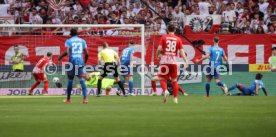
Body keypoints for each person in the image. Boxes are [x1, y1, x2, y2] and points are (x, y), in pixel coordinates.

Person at [153, 24, 188, 104]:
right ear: (175, 30)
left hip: (165, 61)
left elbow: (159, 49)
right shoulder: (178, 39)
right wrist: (186, 61)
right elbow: (182, 52)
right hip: (173, 62)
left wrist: (157, 56)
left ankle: (165, 91)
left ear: (167, 30)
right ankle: (175, 99)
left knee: (162, 78)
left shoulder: (164, 37)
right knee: (174, 81)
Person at [58, 28, 89, 104]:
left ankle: (68, 99)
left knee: (70, 79)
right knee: (81, 79)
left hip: (72, 61)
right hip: (80, 61)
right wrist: (84, 62)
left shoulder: (69, 41)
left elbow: (67, 52)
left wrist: (61, 56)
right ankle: (85, 99)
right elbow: (87, 53)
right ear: (77, 34)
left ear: (70, 34)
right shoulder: (82, 41)